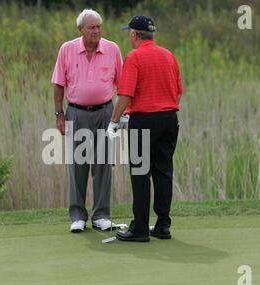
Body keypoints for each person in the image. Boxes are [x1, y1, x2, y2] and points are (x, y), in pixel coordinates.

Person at [108, 16, 183, 242]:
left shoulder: (134, 57)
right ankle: (162, 225)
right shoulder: (169, 55)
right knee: (163, 172)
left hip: (144, 121)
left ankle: (140, 228)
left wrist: (114, 121)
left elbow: (126, 94)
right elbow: (178, 91)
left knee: (140, 174)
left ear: (134, 35)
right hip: (169, 119)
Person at [52, 9, 123, 233]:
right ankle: (78, 216)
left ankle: (101, 215)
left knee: (103, 164)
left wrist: (119, 116)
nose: (97, 31)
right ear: (80, 29)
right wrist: (59, 115)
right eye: (92, 27)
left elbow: (123, 86)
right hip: (76, 113)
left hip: (105, 112)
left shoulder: (112, 49)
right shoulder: (67, 49)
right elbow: (58, 84)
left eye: (99, 27)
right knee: (77, 165)